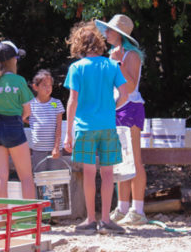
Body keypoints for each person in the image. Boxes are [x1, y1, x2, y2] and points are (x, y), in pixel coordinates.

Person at [63, 21, 129, 235]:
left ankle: (90, 220)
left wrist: (68, 132)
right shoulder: (112, 65)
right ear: (100, 43)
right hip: (108, 126)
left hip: (85, 127)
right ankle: (107, 220)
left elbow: (72, 101)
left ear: (79, 44)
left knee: (90, 174)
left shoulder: (76, 68)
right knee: (108, 174)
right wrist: (112, 107)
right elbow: (125, 94)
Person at [95, 14, 147, 225]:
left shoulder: (131, 55)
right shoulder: (113, 55)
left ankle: (138, 210)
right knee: (120, 161)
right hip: (117, 108)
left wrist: (119, 63)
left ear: (120, 34)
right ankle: (123, 207)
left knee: (134, 159)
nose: (105, 33)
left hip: (131, 107)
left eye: (109, 30)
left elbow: (132, 86)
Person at [0, 41, 36, 202]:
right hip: (13, 126)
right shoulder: (18, 81)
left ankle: (1, 219)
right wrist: (21, 118)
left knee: (1, 175)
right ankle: (28, 218)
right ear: (12, 60)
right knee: (26, 176)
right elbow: (27, 110)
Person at [25, 69, 65, 172]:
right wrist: (33, 123)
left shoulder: (55, 103)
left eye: (50, 85)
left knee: (54, 178)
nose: (48, 88)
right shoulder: (31, 104)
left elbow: (58, 126)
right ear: (35, 87)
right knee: (39, 177)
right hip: (38, 149)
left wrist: (56, 147)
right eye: (44, 85)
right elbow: (22, 118)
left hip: (54, 149)